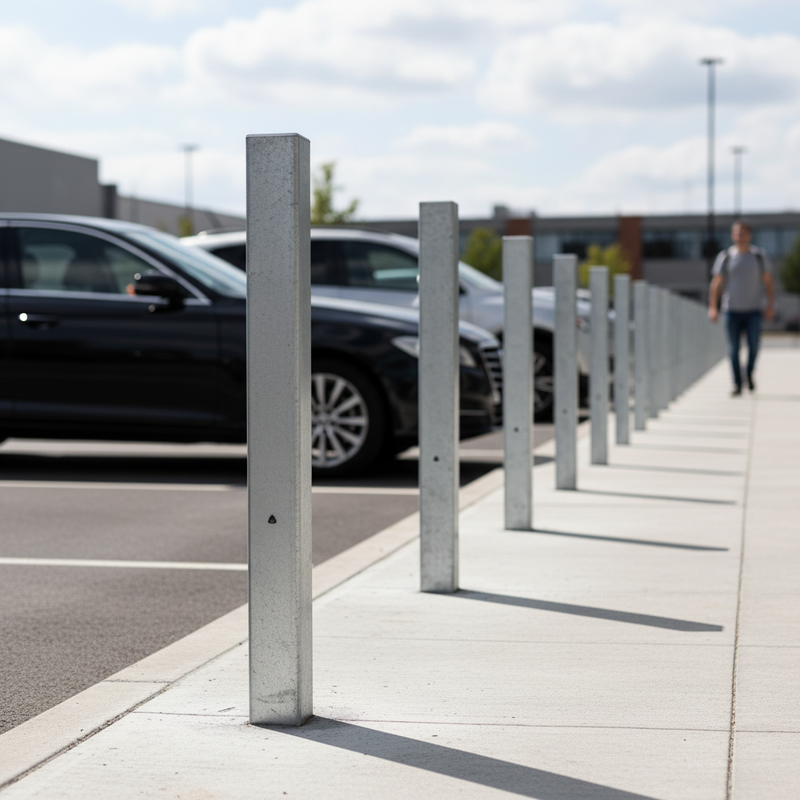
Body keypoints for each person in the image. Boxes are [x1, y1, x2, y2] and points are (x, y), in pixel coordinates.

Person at [708, 220, 775, 395]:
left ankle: (749, 373)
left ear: (749, 235)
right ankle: (737, 383)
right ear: (733, 235)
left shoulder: (758, 256)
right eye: (737, 233)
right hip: (731, 310)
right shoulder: (725, 257)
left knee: (754, 346)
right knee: (733, 349)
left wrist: (770, 304)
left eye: (744, 233)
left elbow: (768, 282)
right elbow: (716, 283)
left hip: (753, 309)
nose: (740, 236)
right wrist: (713, 307)